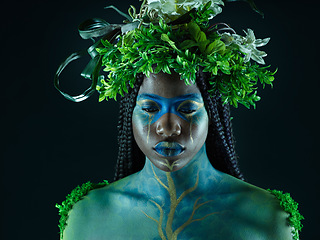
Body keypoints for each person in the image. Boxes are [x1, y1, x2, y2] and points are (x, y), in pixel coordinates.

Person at [55, 1, 303, 239]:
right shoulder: (87, 217)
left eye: (187, 109)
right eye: (150, 107)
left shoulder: (268, 220)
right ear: (130, 112)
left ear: (212, 114)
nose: (168, 127)